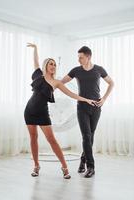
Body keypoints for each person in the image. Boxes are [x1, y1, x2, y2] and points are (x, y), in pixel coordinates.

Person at [24, 43, 97, 178]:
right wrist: (35, 48)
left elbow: (71, 94)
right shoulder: (38, 75)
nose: (53, 66)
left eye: (54, 65)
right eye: (51, 64)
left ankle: (64, 166)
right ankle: (36, 165)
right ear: (46, 65)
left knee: (52, 139)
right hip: (29, 111)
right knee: (33, 138)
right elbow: (35, 61)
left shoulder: (57, 82)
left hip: (42, 113)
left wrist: (85, 99)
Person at [61, 46, 114, 178]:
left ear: (88, 57)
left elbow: (111, 83)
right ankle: (91, 167)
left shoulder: (99, 69)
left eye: (81, 57)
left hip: (96, 107)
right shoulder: (76, 71)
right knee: (86, 136)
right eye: (78, 57)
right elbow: (61, 82)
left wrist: (104, 99)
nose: (79, 60)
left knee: (91, 135)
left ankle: (83, 159)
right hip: (82, 107)